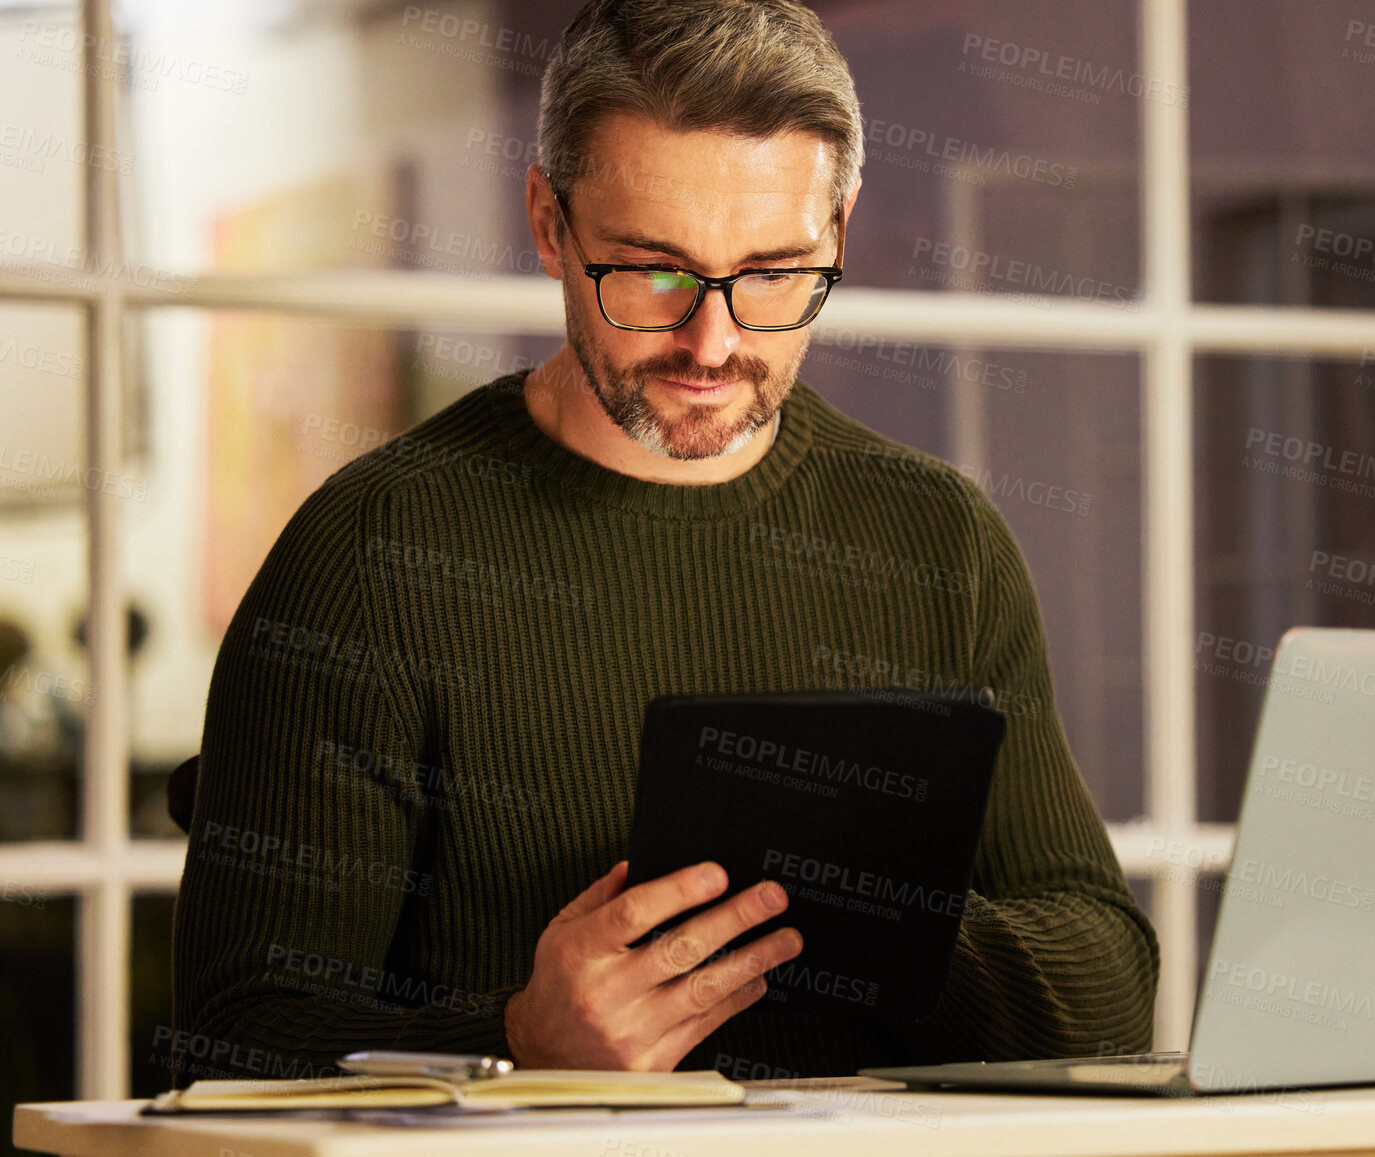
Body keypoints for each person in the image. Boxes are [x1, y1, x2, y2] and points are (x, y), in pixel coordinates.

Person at [172, 0, 1156, 1081]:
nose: (714, 341)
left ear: (838, 232)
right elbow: (231, 1038)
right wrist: (518, 1041)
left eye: (775, 273)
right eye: (654, 270)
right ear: (550, 223)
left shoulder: (938, 540)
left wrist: (865, 907)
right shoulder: (369, 554)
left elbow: (1107, 986)